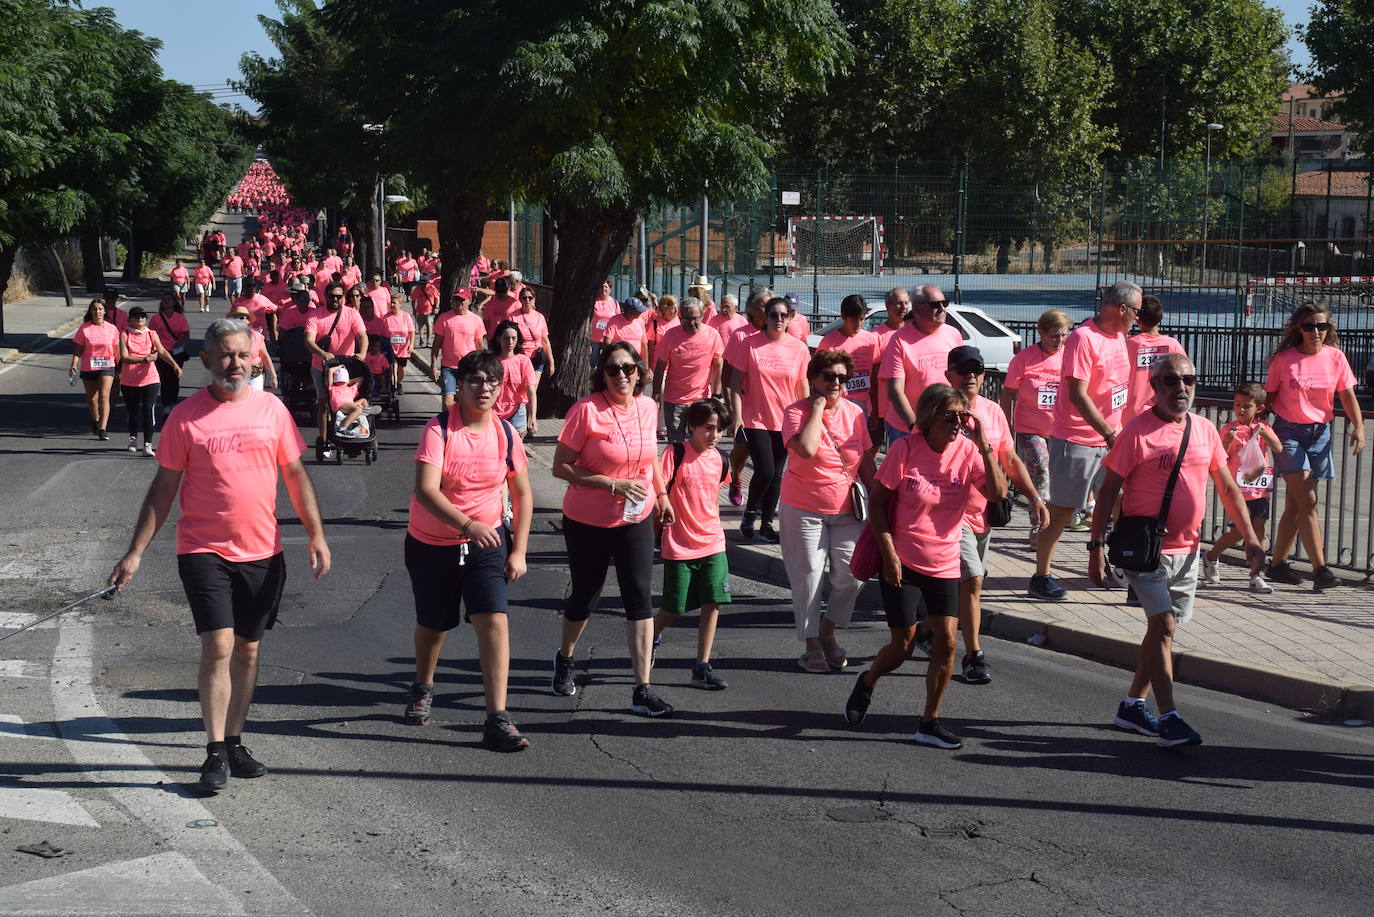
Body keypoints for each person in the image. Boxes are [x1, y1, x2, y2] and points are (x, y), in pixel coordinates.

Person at [110, 317, 332, 793]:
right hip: (203, 549)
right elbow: (163, 489)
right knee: (220, 647)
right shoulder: (185, 418)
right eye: (225, 355)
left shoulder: (272, 410)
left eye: (242, 354)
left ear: (254, 358)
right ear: (207, 360)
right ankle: (213, 752)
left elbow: (295, 477)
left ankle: (234, 740)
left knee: (249, 652)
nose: (235, 362)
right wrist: (135, 552)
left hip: (263, 550)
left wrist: (316, 533)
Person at [1088, 355, 1264, 747]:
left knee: (1160, 632)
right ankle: (1169, 718)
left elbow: (1229, 488)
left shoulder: (1203, 430)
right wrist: (1096, 546)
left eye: (1188, 379)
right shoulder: (1137, 432)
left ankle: (1132, 704)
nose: (1181, 387)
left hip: (1188, 551)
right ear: (1155, 387)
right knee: (1164, 626)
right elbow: (1107, 491)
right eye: (1171, 380)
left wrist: (1250, 537)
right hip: (1146, 550)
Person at [844, 385, 1007, 750]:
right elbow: (879, 505)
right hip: (902, 560)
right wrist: (888, 554)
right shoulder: (904, 449)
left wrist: (982, 443)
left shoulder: (967, 451)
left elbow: (997, 493)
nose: (956, 424)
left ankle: (929, 721)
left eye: (962, 417)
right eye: (949, 416)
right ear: (929, 416)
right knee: (902, 647)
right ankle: (868, 680)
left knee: (948, 644)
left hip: (946, 562)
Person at [401, 350, 533, 750]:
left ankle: (497, 718)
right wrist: (466, 524)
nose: (484, 388)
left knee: (494, 619)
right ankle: (423, 685)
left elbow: (522, 493)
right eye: (475, 380)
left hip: (487, 542)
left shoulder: (506, 433)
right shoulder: (439, 429)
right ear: (460, 385)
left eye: (492, 381)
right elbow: (426, 490)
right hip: (432, 543)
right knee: (434, 625)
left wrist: (519, 550)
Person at [550, 342, 676, 716]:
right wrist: (611, 483)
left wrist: (663, 495)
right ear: (602, 374)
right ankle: (566, 657)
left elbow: (650, 458)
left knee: (639, 599)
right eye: (613, 369)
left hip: (635, 519)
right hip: (588, 520)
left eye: (628, 368)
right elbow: (561, 467)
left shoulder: (648, 407)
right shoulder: (586, 411)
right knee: (585, 596)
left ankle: (642, 688)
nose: (621, 375)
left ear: (639, 372)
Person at [937, 346, 1048, 685]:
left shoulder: (993, 411)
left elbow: (1011, 459)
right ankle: (973, 655)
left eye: (977, 369)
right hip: (947, 514)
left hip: (982, 512)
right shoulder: (938, 412)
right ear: (949, 375)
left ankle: (930, 629)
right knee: (972, 579)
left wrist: (1034, 497)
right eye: (962, 369)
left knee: (968, 583)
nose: (970, 375)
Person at [1028, 281, 1138, 601]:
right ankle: (1041, 575)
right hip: (1076, 439)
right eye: (1136, 311)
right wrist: (1107, 432)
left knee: (1122, 505)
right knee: (1062, 511)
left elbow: (1117, 390)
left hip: (1111, 440)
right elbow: (1078, 394)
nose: (1138, 317)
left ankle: (1120, 565)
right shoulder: (1083, 338)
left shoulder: (1120, 337)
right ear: (1121, 309)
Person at [779, 349, 875, 673]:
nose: (836, 383)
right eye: (829, 376)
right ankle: (810, 645)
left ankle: (828, 629)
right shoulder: (795, 412)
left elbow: (867, 462)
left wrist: (881, 505)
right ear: (813, 379)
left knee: (853, 575)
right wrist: (817, 408)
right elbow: (805, 449)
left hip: (847, 509)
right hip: (802, 508)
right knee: (808, 577)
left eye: (842, 378)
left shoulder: (856, 413)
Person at [1262, 301, 1365, 590]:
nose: (1316, 331)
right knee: (1308, 501)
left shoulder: (1335, 357)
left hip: (1321, 434)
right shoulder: (1284, 360)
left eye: (1322, 326)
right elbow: (1268, 398)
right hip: (1289, 433)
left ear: (1328, 329)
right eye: (1309, 326)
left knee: (1297, 504)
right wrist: (1254, 428)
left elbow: (1347, 396)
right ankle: (1321, 570)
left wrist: (1359, 426)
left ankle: (1278, 564)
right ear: (1299, 329)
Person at [653, 398, 733, 690]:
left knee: (713, 603)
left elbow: (714, 495)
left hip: (713, 542)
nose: (715, 435)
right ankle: (651, 636)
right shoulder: (674, 454)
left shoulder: (720, 460)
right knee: (674, 607)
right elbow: (657, 488)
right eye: (709, 428)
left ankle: (702, 665)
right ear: (692, 426)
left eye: (720, 430)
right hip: (679, 544)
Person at [728, 296, 809, 542]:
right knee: (765, 469)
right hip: (755, 419)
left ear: (790, 318)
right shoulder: (750, 344)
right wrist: (737, 417)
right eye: (774, 315)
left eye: (784, 315)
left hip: (785, 421)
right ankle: (749, 516)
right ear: (766, 317)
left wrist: (805, 420)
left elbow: (802, 386)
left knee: (776, 474)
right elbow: (734, 384)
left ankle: (766, 523)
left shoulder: (799, 348)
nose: (779, 320)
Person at [1203, 382, 1282, 593]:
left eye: (1246, 406)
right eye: (1237, 405)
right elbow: (1219, 457)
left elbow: (1278, 447)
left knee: (1259, 531)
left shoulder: (1263, 427)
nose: (1240, 409)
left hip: (1259, 488)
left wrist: (1265, 435)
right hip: (1237, 490)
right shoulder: (1229, 429)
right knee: (1239, 532)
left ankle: (1255, 575)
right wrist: (1227, 442)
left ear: (1259, 408)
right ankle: (1211, 556)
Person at [999, 309, 1070, 542]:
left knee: (1057, 478)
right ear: (1041, 332)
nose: (1059, 340)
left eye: (1063, 335)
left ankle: (1053, 522)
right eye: (1054, 336)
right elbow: (1008, 391)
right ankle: (1039, 526)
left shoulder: (1069, 356)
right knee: (1040, 472)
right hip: (1030, 427)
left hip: (1061, 429)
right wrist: (1006, 422)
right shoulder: (1025, 359)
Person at [879, 285, 962, 445]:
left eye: (944, 303)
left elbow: (960, 379)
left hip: (945, 423)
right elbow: (895, 391)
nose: (942, 308)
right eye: (935, 305)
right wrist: (915, 426)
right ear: (916, 309)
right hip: (906, 426)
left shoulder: (953, 334)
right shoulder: (899, 340)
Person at [305, 283, 369, 456]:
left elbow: (362, 335)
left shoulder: (352, 314)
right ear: (326, 296)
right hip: (321, 367)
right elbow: (309, 340)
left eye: (339, 297)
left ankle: (350, 432)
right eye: (332, 296)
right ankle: (325, 440)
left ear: (343, 298)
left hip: (345, 369)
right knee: (324, 404)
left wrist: (362, 353)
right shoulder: (315, 315)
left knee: (347, 401)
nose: (335, 299)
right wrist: (322, 353)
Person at [721, 289, 770, 506]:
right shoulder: (740, 335)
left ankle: (760, 504)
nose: (768, 309)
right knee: (742, 451)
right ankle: (737, 478)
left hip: (770, 409)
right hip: (745, 407)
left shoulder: (778, 334)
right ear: (751, 310)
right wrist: (732, 410)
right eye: (763, 305)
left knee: (766, 463)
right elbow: (727, 375)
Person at [654, 297, 724, 444]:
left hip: (701, 399)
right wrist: (656, 396)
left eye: (695, 318)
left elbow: (718, 365)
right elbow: (660, 368)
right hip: (674, 399)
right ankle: (675, 466)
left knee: (699, 443)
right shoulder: (670, 335)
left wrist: (717, 394)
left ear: (702, 316)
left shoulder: (712, 335)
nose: (691, 323)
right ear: (680, 316)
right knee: (675, 444)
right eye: (685, 319)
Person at [118, 307, 181, 456]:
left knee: (148, 410)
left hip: (150, 379)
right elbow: (125, 357)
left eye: (142, 316)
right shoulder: (124, 334)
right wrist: (144, 359)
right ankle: (133, 437)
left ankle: (148, 444)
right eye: (136, 316)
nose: (140, 319)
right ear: (130, 319)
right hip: (129, 380)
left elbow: (163, 351)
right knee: (132, 411)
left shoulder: (151, 334)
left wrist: (175, 365)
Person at [818, 294, 882, 421]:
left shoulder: (871, 340)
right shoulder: (828, 342)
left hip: (863, 406)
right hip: (836, 404)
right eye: (853, 320)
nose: (858, 324)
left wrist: (875, 408)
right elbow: (818, 376)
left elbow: (874, 377)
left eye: (862, 319)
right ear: (843, 316)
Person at [1123, 295, 1186, 423]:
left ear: (1137, 320)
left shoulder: (1129, 345)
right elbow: (1186, 375)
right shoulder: (1172, 345)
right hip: (1165, 413)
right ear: (1161, 317)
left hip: (1132, 415)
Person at [70, 298, 119, 440]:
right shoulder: (84, 329)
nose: (97, 311)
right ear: (90, 311)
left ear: (104, 311)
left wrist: (121, 367)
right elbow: (78, 349)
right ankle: (95, 421)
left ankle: (103, 428)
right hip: (88, 366)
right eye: (94, 309)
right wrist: (74, 363)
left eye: (100, 309)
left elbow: (117, 350)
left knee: (104, 396)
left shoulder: (112, 329)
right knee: (92, 400)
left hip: (107, 365)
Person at [431, 289, 487, 411]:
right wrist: (433, 365)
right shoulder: (444, 318)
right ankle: (447, 425)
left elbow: (480, 346)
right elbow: (436, 344)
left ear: (469, 301)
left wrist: (483, 366)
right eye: (456, 299)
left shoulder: (476, 320)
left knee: (465, 401)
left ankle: (460, 425)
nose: (458, 302)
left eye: (462, 299)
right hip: (448, 366)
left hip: (469, 367)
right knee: (447, 402)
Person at [489, 321, 538, 436]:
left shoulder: (524, 361)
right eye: (506, 338)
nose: (510, 342)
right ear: (498, 339)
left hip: (517, 412)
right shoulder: (490, 361)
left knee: (515, 451)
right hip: (492, 412)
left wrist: (532, 417)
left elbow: (531, 392)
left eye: (513, 338)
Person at [150, 294, 191, 408]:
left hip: (177, 352)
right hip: (162, 353)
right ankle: (166, 405)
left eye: (169, 300)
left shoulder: (180, 318)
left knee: (174, 379)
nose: (166, 302)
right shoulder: (156, 318)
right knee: (164, 379)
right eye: (164, 300)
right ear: (161, 304)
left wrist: (181, 342)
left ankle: (173, 402)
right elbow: (151, 336)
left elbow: (186, 335)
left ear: (174, 303)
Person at [226, 304, 279, 392]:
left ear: (248, 321)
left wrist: (274, 376)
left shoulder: (257, 336)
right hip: (235, 374)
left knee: (255, 400)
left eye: (242, 317)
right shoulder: (226, 337)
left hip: (254, 374)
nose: (238, 320)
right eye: (235, 317)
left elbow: (265, 357)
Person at [510, 285, 555, 385]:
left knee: (532, 389)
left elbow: (545, 341)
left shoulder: (540, 317)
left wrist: (551, 362)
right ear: (520, 300)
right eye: (524, 298)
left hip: (537, 357)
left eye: (530, 298)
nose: (527, 300)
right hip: (521, 356)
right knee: (521, 389)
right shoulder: (512, 317)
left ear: (534, 300)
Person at [382, 293, 416, 394]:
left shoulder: (406, 316)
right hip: (390, 348)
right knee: (393, 367)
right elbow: (382, 332)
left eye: (394, 303)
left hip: (403, 349)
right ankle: (394, 386)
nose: (392, 305)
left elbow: (411, 332)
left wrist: (412, 345)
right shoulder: (385, 317)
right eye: (391, 303)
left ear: (400, 304)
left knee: (401, 369)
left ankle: (398, 382)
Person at [589, 279, 619, 366]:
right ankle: (591, 377)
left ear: (610, 289)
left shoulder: (614, 303)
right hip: (596, 337)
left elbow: (618, 319)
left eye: (606, 287)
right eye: (601, 287)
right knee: (593, 359)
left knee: (607, 359)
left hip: (609, 337)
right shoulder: (594, 302)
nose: (603, 289)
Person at [411, 274, 438, 347]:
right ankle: (421, 338)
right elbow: (413, 300)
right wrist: (414, 309)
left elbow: (437, 298)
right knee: (421, 325)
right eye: (422, 283)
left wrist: (436, 307)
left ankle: (428, 341)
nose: (423, 285)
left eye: (425, 283)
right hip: (420, 310)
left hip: (430, 310)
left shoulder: (432, 288)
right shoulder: (417, 288)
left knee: (429, 325)